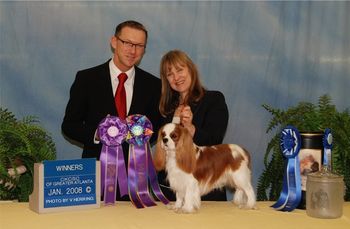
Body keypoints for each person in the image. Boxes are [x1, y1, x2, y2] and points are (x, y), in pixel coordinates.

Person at [61, 20, 162, 199]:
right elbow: (69, 125)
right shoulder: (86, 79)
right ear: (114, 42)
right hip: (95, 175)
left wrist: (139, 135)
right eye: (128, 43)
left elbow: (157, 127)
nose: (133, 51)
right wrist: (98, 134)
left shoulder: (154, 85)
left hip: (136, 180)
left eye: (139, 46)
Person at [158, 49, 229, 201]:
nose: (176, 77)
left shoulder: (214, 99)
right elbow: (162, 149)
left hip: (205, 190)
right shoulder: (166, 109)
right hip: (171, 195)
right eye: (170, 74)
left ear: (191, 69)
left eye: (179, 69)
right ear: (166, 80)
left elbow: (214, 141)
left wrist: (190, 127)